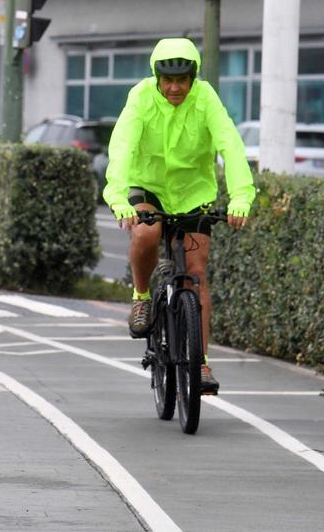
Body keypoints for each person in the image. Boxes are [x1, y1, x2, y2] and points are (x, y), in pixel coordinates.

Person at [103, 38, 254, 395]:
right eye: (167, 80)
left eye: (182, 80)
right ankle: (141, 298)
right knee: (145, 235)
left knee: (196, 274)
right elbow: (122, 145)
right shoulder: (141, 97)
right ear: (156, 78)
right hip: (147, 187)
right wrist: (117, 197)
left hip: (194, 194)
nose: (174, 88)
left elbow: (230, 145)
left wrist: (241, 196)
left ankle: (199, 362)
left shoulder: (206, 99)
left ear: (193, 78)